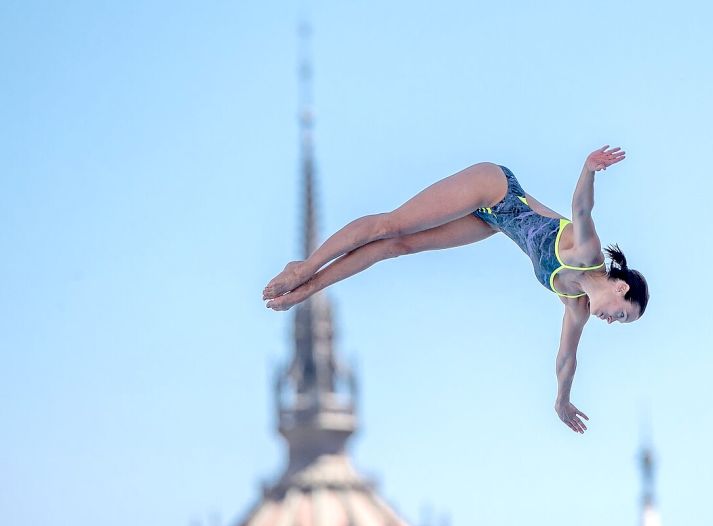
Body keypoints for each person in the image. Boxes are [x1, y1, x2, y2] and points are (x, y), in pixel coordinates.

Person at [262, 146, 649, 434]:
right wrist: (589, 168)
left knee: (399, 247)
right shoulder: (587, 254)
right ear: (619, 285)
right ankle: (305, 267)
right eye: (621, 312)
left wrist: (562, 401)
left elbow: (566, 359)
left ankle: (308, 290)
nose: (612, 320)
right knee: (392, 226)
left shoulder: (575, 306)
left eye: (619, 323)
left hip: (491, 222)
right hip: (493, 187)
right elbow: (581, 209)